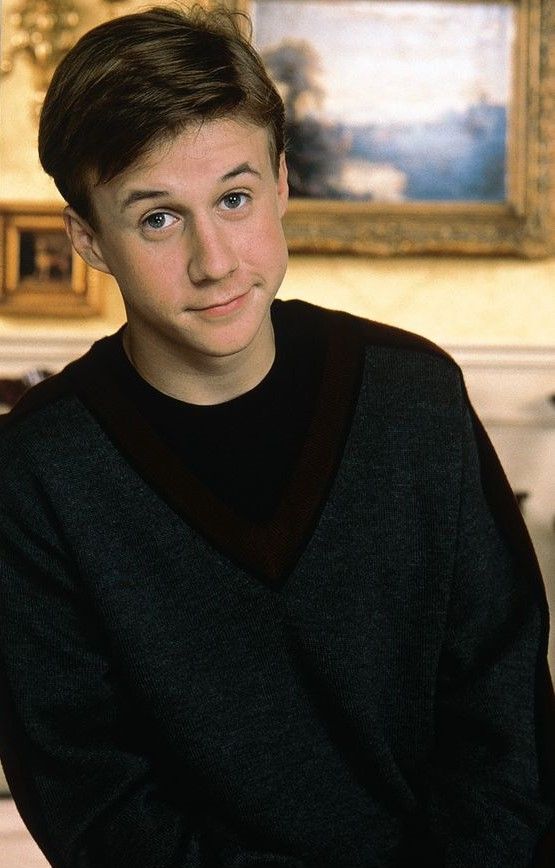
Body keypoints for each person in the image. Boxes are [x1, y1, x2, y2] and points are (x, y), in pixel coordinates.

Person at [0, 6, 553, 867]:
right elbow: (93, 801)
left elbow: (507, 723)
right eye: (157, 218)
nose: (215, 260)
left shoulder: (415, 397)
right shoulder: (37, 473)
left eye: (234, 198)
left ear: (282, 183)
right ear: (89, 240)